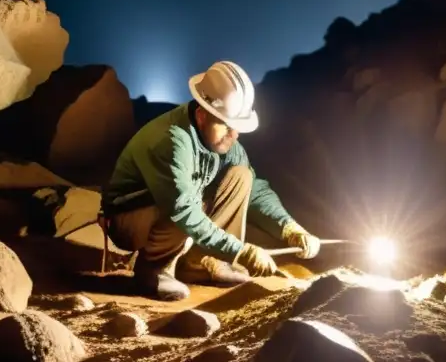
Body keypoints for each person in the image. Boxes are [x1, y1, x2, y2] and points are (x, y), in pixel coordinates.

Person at [102, 61, 321, 301]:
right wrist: (240, 252)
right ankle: (153, 270)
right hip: (128, 220)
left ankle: (202, 263)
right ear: (202, 114)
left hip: (175, 207)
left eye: (236, 126)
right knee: (181, 203)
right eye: (226, 125)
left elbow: (256, 190)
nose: (234, 134)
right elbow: (182, 209)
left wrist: (289, 227)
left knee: (242, 176)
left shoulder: (225, 143)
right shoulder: (171, 141)